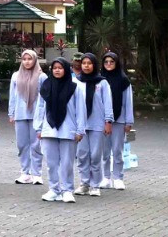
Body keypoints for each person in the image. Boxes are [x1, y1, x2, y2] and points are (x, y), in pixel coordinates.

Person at [35, 58, 84, 203]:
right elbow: (40, 108)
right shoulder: (46, 85)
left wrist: (80, 130)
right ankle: (54, 189)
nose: (57, 70)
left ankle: (67, 190)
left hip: (68, 129)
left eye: (60, 68)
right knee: (51, 162)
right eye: (54, 67)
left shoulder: (75, 87)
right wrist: (38, 127)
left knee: (67, 162)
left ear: (66, 69)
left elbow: (81, 110)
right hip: (49, 129)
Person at [73, 53, 112, 197]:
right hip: (81, 125)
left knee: (95, 155)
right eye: (84, 63)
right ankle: (84, 183)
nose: (86, 66)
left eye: (89, 63)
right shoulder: (77, 82)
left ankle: (95, 185)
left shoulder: (102, 83)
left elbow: (107, 103)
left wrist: (108, 121)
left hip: (97, 123)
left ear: (94, 65)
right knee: (82, 154)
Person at [9, 50, 46, 184]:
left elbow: (44, 98)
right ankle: (25, 172)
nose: (27, 62)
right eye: (24, 59)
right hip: (20, 114)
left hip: (36, 115)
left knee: (36, 145)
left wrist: (43, 116)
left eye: (30, 59)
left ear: (35, 60)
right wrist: (11, 113)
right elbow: (12, 96)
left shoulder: (42, 77)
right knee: (22, 144)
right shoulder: (15, 76)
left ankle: (37, 174)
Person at [101, 51, 135, 191]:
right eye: (106, 62)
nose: (109, 64)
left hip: (119, 119)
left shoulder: (123, 80)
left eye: (112, 61)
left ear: (116, 63)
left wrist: (128, 122)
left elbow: (128, 102)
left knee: (117, 150)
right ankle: (106, 177)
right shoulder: (100, 79)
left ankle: (118, 178)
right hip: (102, 121)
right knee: (104, 150)